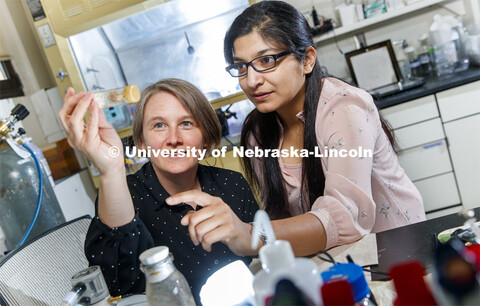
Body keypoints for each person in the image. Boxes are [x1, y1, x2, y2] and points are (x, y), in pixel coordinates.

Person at [166, 0, 426, 257]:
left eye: (267, 60)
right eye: (241, 67)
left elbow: (345, 218)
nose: (252, 80)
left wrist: (250, 234)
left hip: (398, 250)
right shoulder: (257, 130)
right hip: (333, 258)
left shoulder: (343, 108)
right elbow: (279, 213)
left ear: (307, 60)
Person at [58, 78, 259, 302]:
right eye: (159, 125)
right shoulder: (125, 194)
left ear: (205, 138)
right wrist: (112, 169)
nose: (174, 139)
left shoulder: (232, 184)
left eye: (186, 123)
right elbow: (115, 284)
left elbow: (262, 255)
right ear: (142, 143)